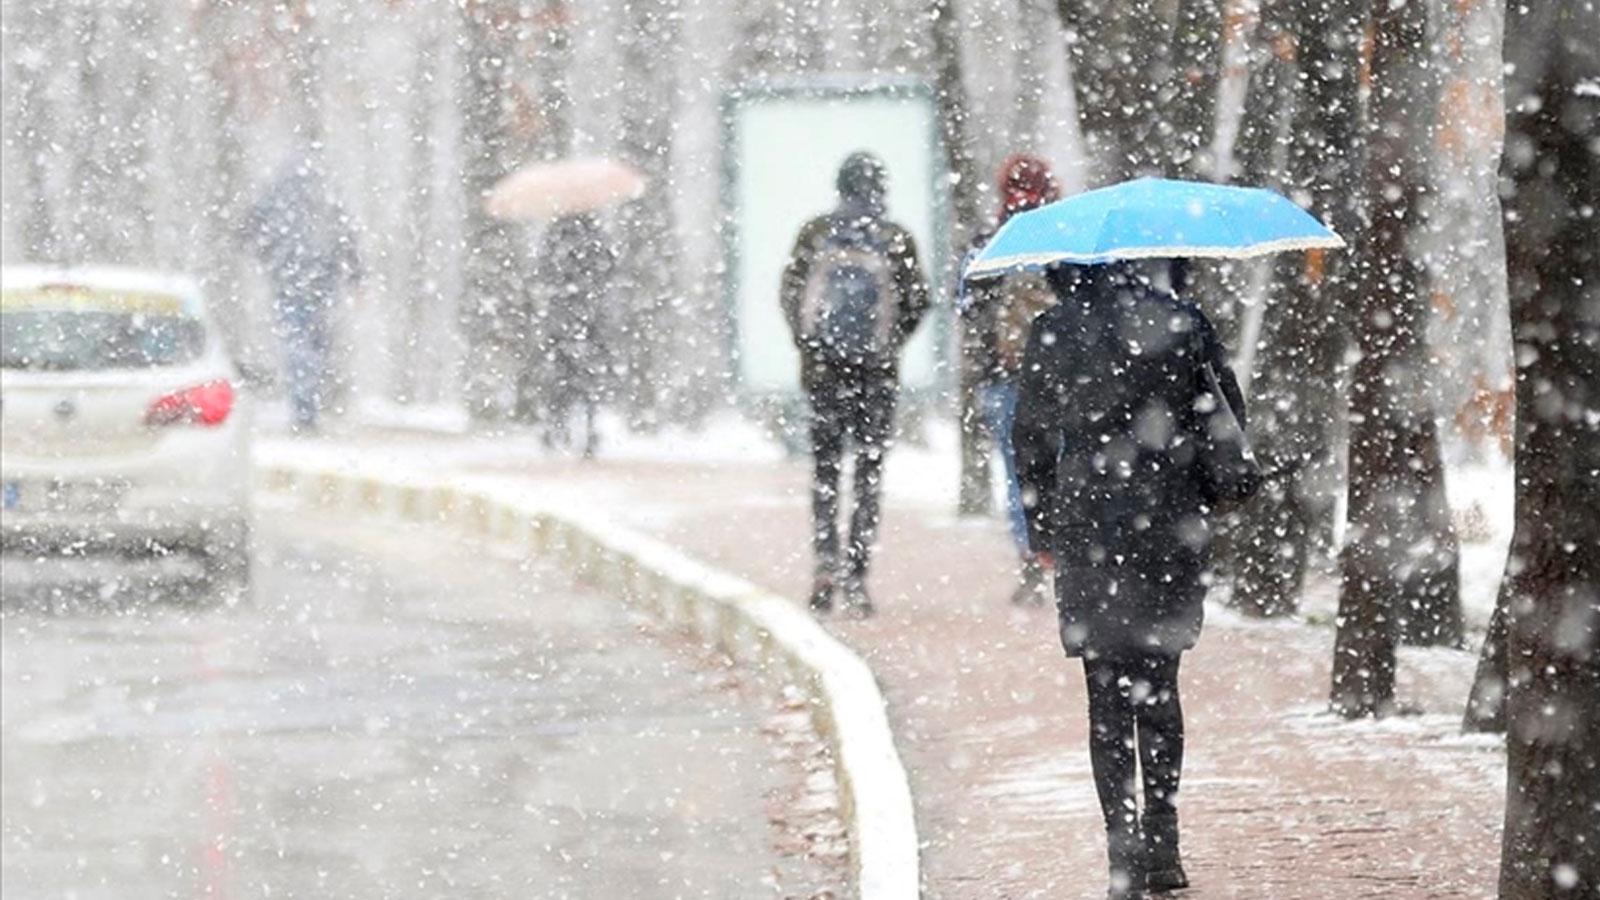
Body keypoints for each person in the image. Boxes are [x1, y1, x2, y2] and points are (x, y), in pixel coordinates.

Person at [1012, 260, 1245, 899]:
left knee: (1105, 690)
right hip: (1170, 523)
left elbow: (1028, 435)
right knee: (1161, 683)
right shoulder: (1182, 322)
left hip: (1088, 524)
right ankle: (1164, 844)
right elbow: (1226, 417)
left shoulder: (1053, 330)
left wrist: (1041, 532)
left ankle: (1122, 848)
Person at [781, 152, 930, 617]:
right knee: (869, 475)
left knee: (826, 472)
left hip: (824, 375)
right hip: (875, 378)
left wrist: (811, 346)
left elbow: (790, 292)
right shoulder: (894, 238)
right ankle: (857, 575)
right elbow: (919, 300)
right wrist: (887, 345)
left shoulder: (816, 233)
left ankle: (825, 563)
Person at [959, 154, 1064, 604]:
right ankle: (1066, 554)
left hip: (1004, 376)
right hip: (1061, 379)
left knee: (1017, 472)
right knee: (1063, 467)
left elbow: (965, 302)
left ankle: (1030, 556)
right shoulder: (1064, 240)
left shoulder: (988, 242)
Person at [240, 151, 361, 434]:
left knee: (296, 342)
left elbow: (247, 229)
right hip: (321, 280)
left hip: (287, 279)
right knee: (315, 342)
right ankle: (309, 404)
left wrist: (266, 254)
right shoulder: (324, 195)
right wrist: (356, 275)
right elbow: (345, 234)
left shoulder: (276, 195)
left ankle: (303, 406)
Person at [536, 212, 616, 457]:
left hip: (564, 318)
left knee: (561, 377)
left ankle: (557, 428)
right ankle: (587, 431)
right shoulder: (595, 234)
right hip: (589, 317)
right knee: (587, 378)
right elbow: (609, 269)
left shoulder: (556, 234)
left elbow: (544, 271)